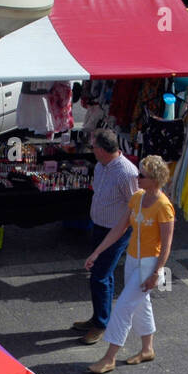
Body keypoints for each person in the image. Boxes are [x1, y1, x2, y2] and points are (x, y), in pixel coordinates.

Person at [83, 155, 174, 374]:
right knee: (142, 304)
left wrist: (157, 272)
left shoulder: (164, 206)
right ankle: (147, 349)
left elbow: (167, 244)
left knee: (124, 306)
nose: (137, 177)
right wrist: (97, 252)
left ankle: (109, 357)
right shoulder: (138, 197)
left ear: (154, 179)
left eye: (142, 175)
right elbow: (120, 228)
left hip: (149, 264)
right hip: (133, 260)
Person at [74, 129, 139, 345]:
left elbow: (134, 206)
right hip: (99, 226)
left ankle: (100, 324)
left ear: (102, 150)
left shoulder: (126, 173)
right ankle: (99, 317)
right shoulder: (101, 166)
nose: (91, 150)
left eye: (93, 146)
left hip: (116, 232)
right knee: (104, 274)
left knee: (99, 276)